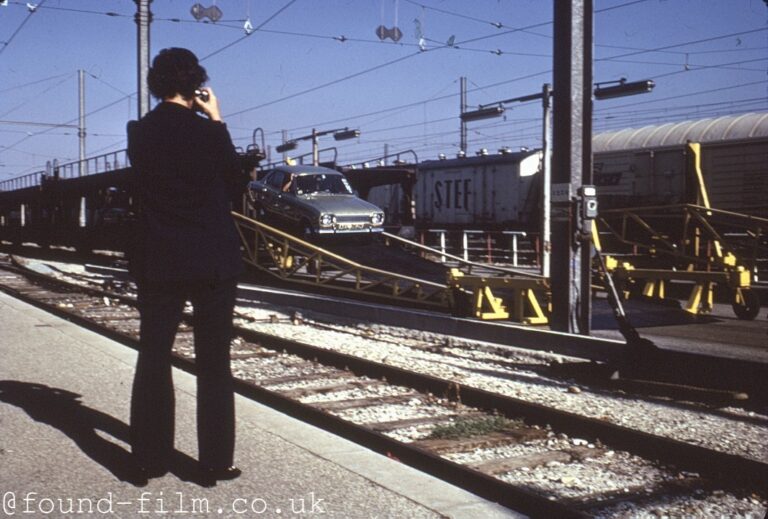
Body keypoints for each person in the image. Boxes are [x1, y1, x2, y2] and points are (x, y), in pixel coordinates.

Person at [126, 47, 247, 482]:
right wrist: (215, 119)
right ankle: (215, 461)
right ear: (196, 84)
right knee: (214, 361)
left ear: (155, 84)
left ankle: (148, 459)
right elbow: (236, 186)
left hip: (159, 259)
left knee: (154, 356)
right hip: (213, 260)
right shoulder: (209, 132)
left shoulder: (139, 133)